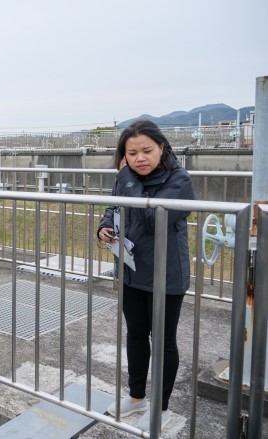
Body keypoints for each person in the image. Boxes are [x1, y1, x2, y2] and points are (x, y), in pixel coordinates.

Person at [98, 120, 194, 432]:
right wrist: (103, 228)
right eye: (133, 152)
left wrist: (126, 178)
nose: (141, 158)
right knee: (136, 335)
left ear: (162, 148)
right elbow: (114, 208)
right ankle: (136, 396)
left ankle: (161, 407)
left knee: (163, 340)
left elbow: (155, 220)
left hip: (166, 276)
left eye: (147, 151)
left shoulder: (179, 180)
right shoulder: (125, 179)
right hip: (131, 270)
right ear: (124, 154)